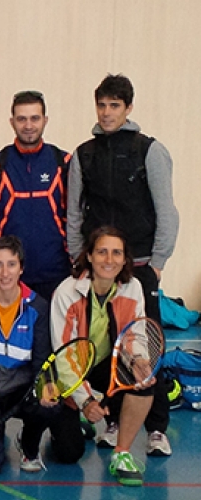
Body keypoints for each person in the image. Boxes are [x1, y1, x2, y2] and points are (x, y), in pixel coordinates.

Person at [66, 74, 179, 457]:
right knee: (106, 346)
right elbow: (74, 212)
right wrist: (77, 258)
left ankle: (157, 428)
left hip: (142, 266)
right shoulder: (83, 154)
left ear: (128, 108)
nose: (107, 112)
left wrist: (158, 263)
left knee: (145, 347)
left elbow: (167, 211)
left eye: (115, 105)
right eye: (102, 105)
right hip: (97, 269)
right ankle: (114, 421)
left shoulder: (149, 150)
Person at [0, 236, 84, 475]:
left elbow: (42, 361)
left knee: (52, 409)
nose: (5, 272)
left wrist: (45, 389)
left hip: (24, 392)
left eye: (11, 264)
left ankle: (29, 444)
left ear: (22, 268)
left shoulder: (39, 308)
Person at [51, 227, 155, 486]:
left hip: (106, 365)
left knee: (145, 380)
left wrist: (138, 360)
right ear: (89, 256)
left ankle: (122, 453)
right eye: (102, 252)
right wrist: (85, 400)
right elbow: (64, 356)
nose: (109, 260)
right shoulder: (67, 292)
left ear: (124, 259)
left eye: (116, 253)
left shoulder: (133, 288)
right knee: (68, 453)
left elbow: (135, 336)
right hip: (72, 369)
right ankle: (79, 419)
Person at [0, 91, 72, 298]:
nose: (28, 126)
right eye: (22, 119)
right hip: (7, 279)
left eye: (35, 118)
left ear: (45, 120)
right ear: (12, 122)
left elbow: (76, 218)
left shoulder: (65, 163)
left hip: (57, 277)